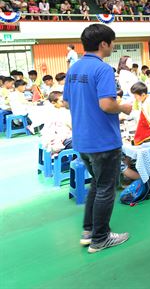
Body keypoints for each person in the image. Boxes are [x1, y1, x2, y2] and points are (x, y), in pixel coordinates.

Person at [63, 24, 132, 253]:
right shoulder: (102, 69)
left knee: (97, 184)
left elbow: (66, 102)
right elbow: (106, 104)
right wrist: (124, 107)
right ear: (104, 44)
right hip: (103, 140)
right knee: (106, 188)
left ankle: (89, 230)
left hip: (82, 139)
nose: (112, 46)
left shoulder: (74, 68)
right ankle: (100, 239)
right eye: (112, 42)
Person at [40, 91, 73, 157]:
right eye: (61, 101)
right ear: (53, 102)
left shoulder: (53, 111)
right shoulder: (60, 113)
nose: (64, 102)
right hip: (60, 140)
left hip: (56, 139)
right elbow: (72, 126)